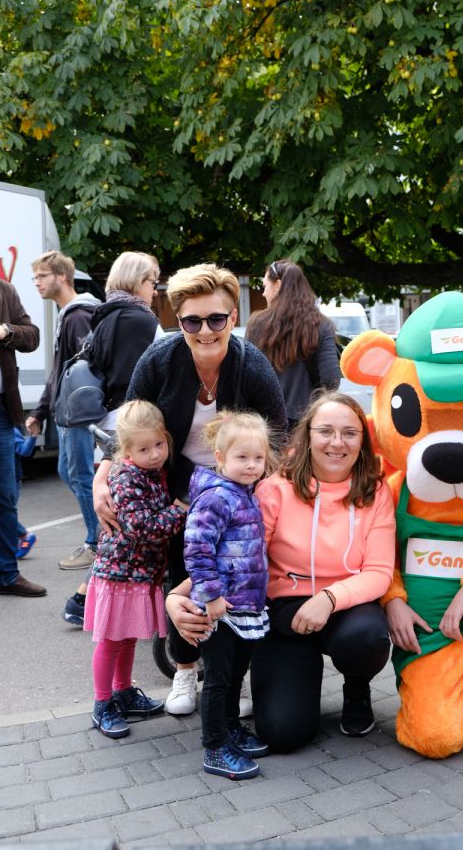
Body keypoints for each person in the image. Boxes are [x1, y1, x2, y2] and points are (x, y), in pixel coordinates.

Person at [94, 263, 287, 717]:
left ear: (233, 317)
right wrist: (103, 474)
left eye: (216, 318)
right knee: (183, 573)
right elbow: (128, 423)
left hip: (239, 488)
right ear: (178, 321)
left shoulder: (251, 365)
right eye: (192, 321)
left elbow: (278, 435)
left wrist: (267, 496)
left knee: (237, 578)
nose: (205, 331)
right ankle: (184, 668)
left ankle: (233, 675)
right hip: (177, 488)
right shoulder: (160, 360)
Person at [168, 391, 395, 752]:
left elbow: (380, 572)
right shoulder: (276, 488)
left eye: (349, 433)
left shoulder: (375, 490)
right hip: (283, 611)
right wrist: (177, 596)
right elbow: (240, 556)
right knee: (282, 733)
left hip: (346, 607)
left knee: (367, 638)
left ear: (362, 440)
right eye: (326, 431)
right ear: (308, 435)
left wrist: (329, 598)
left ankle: (356, 689)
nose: (337, 442)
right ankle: (297, 682)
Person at [62, 251, 165, 627]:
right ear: (137, 281)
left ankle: (87, 599)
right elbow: (148, 377)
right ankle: (86, 599)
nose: (155, 290)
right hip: (134, 426)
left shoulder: (105, 315)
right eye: (152, 281)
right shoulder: (140, 319)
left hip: (108, 424)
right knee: (132, 523)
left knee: (120, 517)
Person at [85, 400, 189, 739]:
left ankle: (124, 692)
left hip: (137, 574)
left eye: (159, 444)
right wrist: (179, 510)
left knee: (126, 638)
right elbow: (142, 529)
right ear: (126, 450)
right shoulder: (128, 478)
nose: (155, 454)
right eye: (144, 449)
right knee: (111, 641)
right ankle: (102, 703)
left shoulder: (151, 472)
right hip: (120, 575)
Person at [183, 412, 274, 780]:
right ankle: (215, 746)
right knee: (218, 679)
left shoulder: (245, 494)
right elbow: (197, 548)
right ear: (220, 458)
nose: (251, 465)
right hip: (220, 608)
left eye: (258, 458)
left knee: (236, 674)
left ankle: (231, 727)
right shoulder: (217, 498)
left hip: (244, 604)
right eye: (242, 457)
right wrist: (211, 596)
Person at [24, 251, 103, 571]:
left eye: (42, 276)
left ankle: (98, 544)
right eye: (35, 277)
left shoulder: (78, 316)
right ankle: (103, 535)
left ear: (62, 277)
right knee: (68, 473)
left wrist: (75, 411)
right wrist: (40, 412)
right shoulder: (66, 315)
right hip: (65, 413)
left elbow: (85, 370)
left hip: (76, 414)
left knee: (81, 477)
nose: (37, 282)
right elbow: (59, 372)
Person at [0, 277, 46, 597]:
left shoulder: (0, 290)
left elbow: (32, 336)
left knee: (3, 497)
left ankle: (6, 576)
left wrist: (6, 330)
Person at [245, 259, 341, 430]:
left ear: (277, 285)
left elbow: (248, 375)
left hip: (265, 424)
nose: (263, 293)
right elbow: (330, 380)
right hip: (307, 424)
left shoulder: (256, 324)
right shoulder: (322, 325)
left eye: (264, 286)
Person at [13, 427, 38, 558]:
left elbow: (24, 451)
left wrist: (33, 436)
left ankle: (25, 535)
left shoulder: (10, 430)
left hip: (10, 481)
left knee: (1, 513)